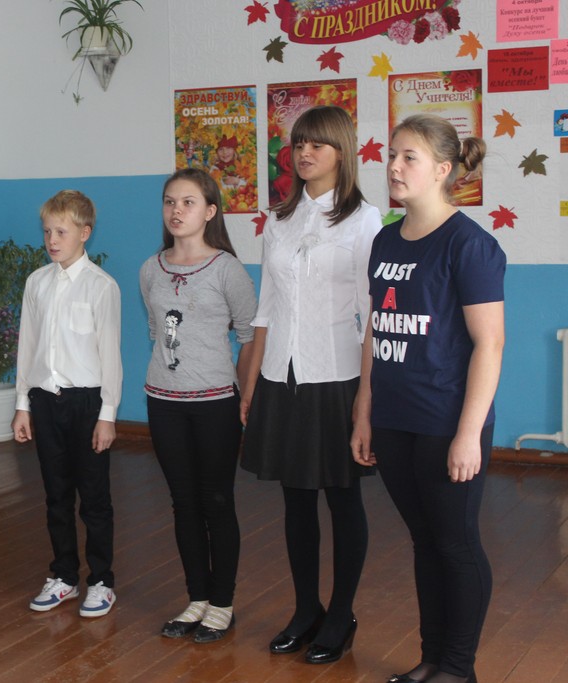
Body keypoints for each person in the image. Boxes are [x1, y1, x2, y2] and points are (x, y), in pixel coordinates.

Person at [351, 114, 505, 683]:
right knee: (424, 542)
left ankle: (458, 669)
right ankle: (432, 659)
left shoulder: (471, 245)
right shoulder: (385, 240)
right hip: (394, 418)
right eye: (391, 155)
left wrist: (469, 433)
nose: (393, 166)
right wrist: (364, 409)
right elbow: (376, 328)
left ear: (443, 169)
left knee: (455, 543)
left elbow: (490, 344)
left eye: (408, 157)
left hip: (447, 420)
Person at [239, 105, 382, 664]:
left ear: (341, 152)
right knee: (295, 499)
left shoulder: (364, 220)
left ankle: (341, 615)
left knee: (342, 498)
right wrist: (251, 381)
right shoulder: (278, 219)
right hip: (281, 374)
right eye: (299, 143)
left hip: (336, 376)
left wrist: (366, 397)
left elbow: (373, 317)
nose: (304, 153)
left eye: (316, 144)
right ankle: (306, 610)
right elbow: (265, 308)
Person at [141, 168, 256, 643]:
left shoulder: (227, 269)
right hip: (163, 402)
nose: (177, 210)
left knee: (216, 501)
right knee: (183, 503)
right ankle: (197, 598)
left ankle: (222, 604)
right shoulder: (151, 269)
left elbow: (250, 336)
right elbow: (156, 332)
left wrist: (244, 393)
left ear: (210, 211)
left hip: (215, 404)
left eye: (188, 202)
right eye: (170, 201)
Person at [12, 190, 123, 618]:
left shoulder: (101, 286)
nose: (52, 240)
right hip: (45, 401)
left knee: (94, 498)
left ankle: (101, 581)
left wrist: (107, 415)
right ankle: (63, 576)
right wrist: (22, 404)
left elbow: (110, 357)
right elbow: (27, 347)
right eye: (47, 232)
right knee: (56, 495)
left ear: (84, 233)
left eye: (61, 232)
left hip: (86, 404)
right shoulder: (36, 283)